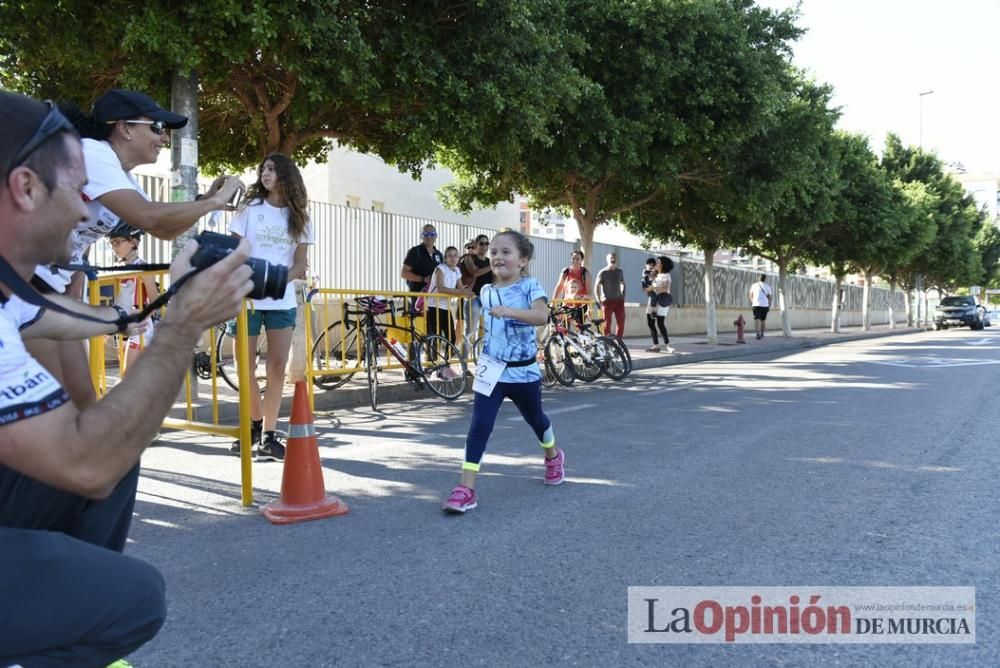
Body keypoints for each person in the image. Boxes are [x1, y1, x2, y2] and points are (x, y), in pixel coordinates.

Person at [0, 90, 254, 667]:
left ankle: (60, 605)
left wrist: (133, 315)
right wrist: (182, 324)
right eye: (75, 194)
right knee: (134, 596)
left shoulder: (13, 297)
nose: (85, 214)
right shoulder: (94, 152)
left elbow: (51, 317)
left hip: (46, 300)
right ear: (25, 188)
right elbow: (83, 463)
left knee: (110, 436)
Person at [27, 89, 242, 410]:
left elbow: (163, 230)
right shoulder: (93, 153)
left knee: (83, 401)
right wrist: (214, 201)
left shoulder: (120, 174)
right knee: (54, 410)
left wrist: (202, 203)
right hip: (23, 284)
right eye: (156, 128)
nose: (163, 138)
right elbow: (149, 216)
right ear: (124, 128)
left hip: (51, 291)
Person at [442, 230, 562, 513]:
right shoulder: (486, 291)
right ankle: (466, 489)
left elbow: (541, 316)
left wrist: (511, 311)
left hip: (524, 373)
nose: (497, 257)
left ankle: (553, 456)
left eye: (506, 252)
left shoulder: (530, 286)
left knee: (537, 421)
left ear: (523, 260)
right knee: (479, 427)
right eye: (494, 252)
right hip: (491, 371)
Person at [227, 154, 313, 462]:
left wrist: (276, 282)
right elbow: (234, 249)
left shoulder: (299, 217)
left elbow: (301, 264)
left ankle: (268, 435)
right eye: (263, 168)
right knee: (244, 368)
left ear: (286, 175)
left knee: (276, 368)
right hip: (247, 299)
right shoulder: (250, 209)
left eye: (272, 169)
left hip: (281, 299)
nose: (266, 173)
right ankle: (252, 427)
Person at [109, 222, 160, 374]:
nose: (114, 248)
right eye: (112, 244)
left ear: (133, 242)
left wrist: (141, 319)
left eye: (118, 242)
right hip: (124, 322)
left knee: (128, 375)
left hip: (140, 325)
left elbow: (155, 301)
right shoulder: (120, 268)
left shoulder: (143, 267)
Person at [426, 245, 474, 344]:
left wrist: (468, 292)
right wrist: (461, 292)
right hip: (434, 305)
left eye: (455, 255)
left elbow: (460, 288)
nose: (453, 258)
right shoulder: (441, 268)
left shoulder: (457, 270)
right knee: (434, 336)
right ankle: (432, 359)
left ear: (458, 257)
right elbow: (441, 289)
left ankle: (447, 358)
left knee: (451, 337)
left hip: (446, 306)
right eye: (450, 256)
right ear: (445, 258)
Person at [400, 223, 443, 311]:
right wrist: (423, 279)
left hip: (435, 298)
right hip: (418, 298)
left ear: (436, 236)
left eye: (432, 234)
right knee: (419, 324)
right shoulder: (415, 251)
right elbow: (404, 273)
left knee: (435, 324)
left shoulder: (439, 254)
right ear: (421, 236)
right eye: (426, 234)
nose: (429, 237)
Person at [460, 234, 493, 340]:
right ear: (476, 245)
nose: (484, 246)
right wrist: (493, 266)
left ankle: (481, 355)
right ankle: (464, 356)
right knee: (470, 330)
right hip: (473, 298)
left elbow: (495, 280)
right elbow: (474, 272)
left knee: (487, 330)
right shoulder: (469, 258)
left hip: (487, 299)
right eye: (481, 243)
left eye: (486, 243)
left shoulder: (489, 261)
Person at [645, 256, 674, 353]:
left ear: (663, 264)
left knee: (660, 324)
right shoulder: (655, 275)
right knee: (650, 323)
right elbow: (647, 283)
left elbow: (665, 289)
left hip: (661, 301)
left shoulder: (666, 275)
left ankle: (668, 345)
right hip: (652, 301)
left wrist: (653, 288)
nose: (656, 263)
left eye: (658, 262)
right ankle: (655, 345)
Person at [595, 252, 626, 337]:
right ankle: (607, 343)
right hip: (607, 301)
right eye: (611, 258)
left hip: (619, 301)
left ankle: (619, 342)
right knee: (606, 324)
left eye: (614, 257)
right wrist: (598, 299)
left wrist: (623, 295)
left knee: (621, 322)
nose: (613, 259)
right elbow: (596, 286)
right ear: (607, 260)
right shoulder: (603, 272)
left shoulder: (620, 272)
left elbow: (623, 283)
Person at [749, 274, 774, 340]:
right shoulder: (767, 287)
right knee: (763, 320)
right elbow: (769, 297)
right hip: (765, 305)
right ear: (765, 279)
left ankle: (758, 333)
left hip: (756, 304)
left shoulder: (754, 285)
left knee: (757, 318)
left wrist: (753, 302)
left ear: (758, 278)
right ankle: (762, 333)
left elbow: (751, 296)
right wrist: (769, 305)